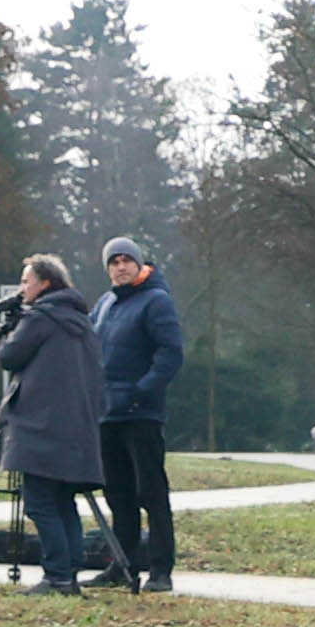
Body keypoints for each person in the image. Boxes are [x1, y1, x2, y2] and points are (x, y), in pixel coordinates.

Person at [0, 253, 104, 596]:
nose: (22, 288)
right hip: (76, 428)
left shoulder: (41, 318)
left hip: (39, 427)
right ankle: (68, 574)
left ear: (45, 284)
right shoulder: (80, 321)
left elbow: (9, 357)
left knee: (40, 503)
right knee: (63, 501)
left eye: (27, 281)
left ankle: (56, 576)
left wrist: (8, 329)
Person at [91, 237, 185, 592]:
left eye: (126, 260)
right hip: (107, 414)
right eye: (113, 262)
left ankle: (161, 570)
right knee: (118, 493)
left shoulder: (157, 302)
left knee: (151, 492)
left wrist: (142, 391)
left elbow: (170, 354)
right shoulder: (104, 305)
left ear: (139, 264)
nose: (120, 266)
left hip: (141, 414)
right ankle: (122, 564)